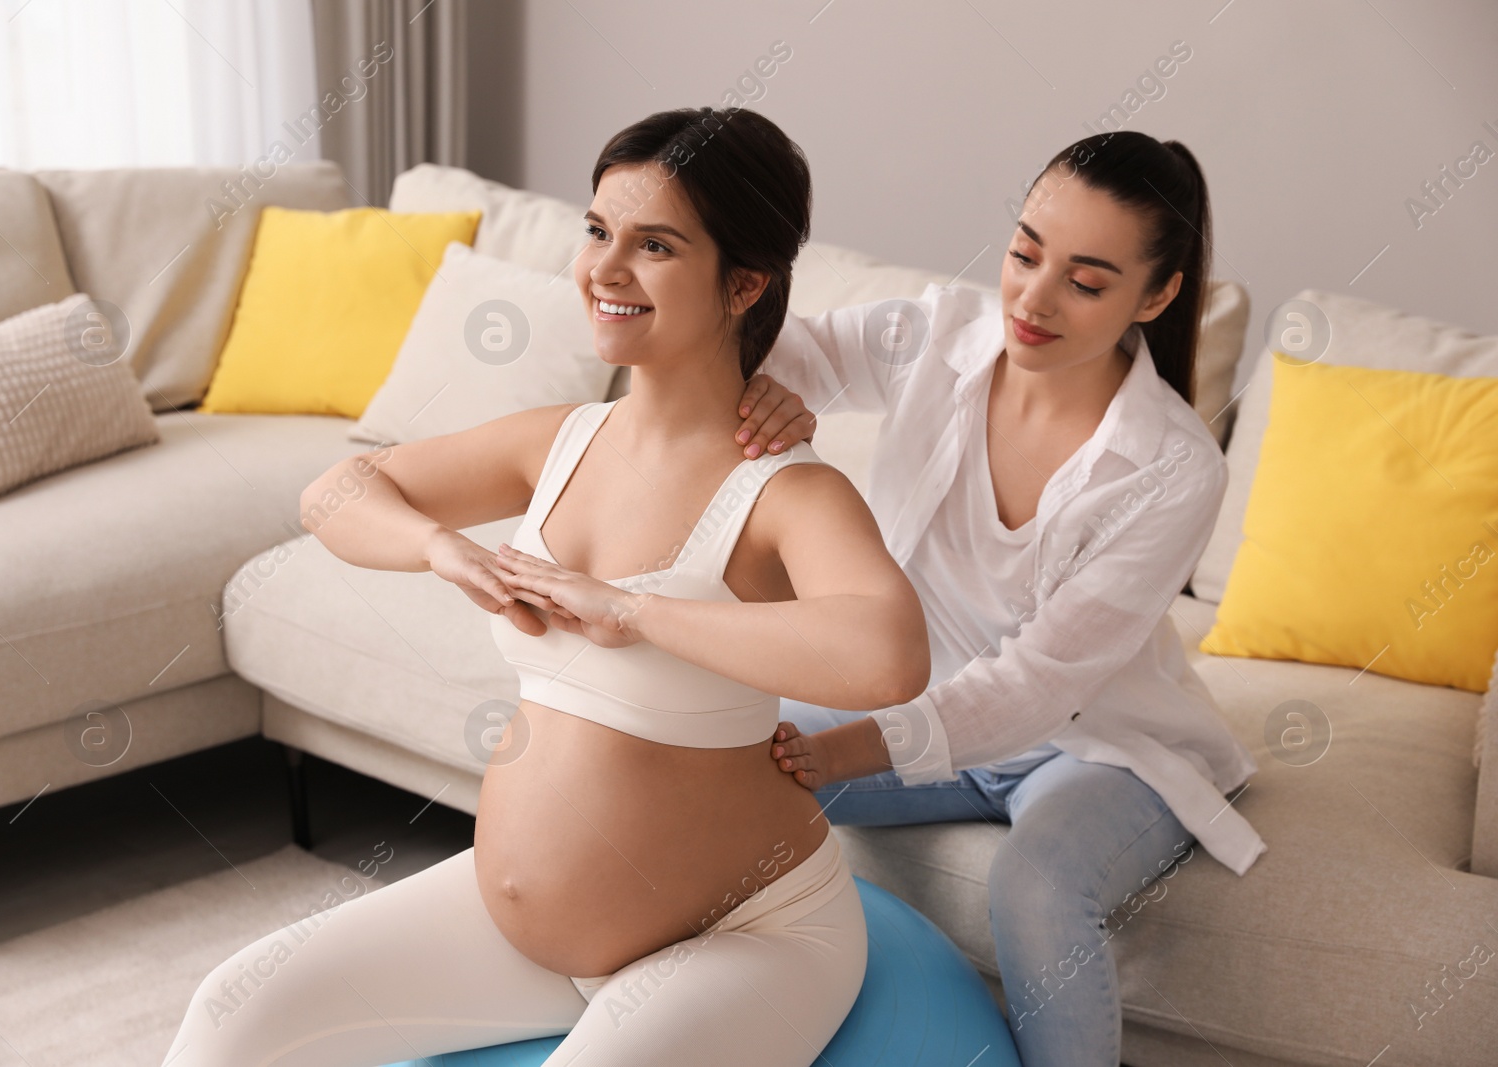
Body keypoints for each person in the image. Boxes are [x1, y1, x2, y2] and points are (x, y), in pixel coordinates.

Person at [160, 107, 930, 1067]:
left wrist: (634, 610)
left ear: (744, 282)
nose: (605, 270)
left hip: (743, 935)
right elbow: (339, 491)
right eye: (598, 231)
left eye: (655, 245)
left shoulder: (788, 490)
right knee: (229, 1016)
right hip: (517, 928)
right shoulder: (557, 440)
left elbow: (890, 653)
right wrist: (444, 549)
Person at [736, 130, 1267, 1067]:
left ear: (1157, 294)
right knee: (714, 758)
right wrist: (779, 390)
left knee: (1036, 885)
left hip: (1090, 747)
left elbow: (1037, 687)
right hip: (918, 708)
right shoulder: (935, 334)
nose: (1033, 296)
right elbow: (786, 349)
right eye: (1026, 253)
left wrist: (835, 752)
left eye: (1086, 282)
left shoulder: (1177, 467)